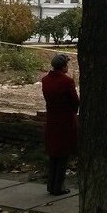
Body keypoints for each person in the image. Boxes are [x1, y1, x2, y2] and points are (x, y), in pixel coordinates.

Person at [41, 53, 79, 195]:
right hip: (65, 121)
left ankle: (51, 185)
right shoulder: (67, 81)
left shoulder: (45, 80)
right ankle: (58, 186)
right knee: (63, 155)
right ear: (63, 66)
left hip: (52, 119)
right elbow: (75, 102)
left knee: (53, 155)